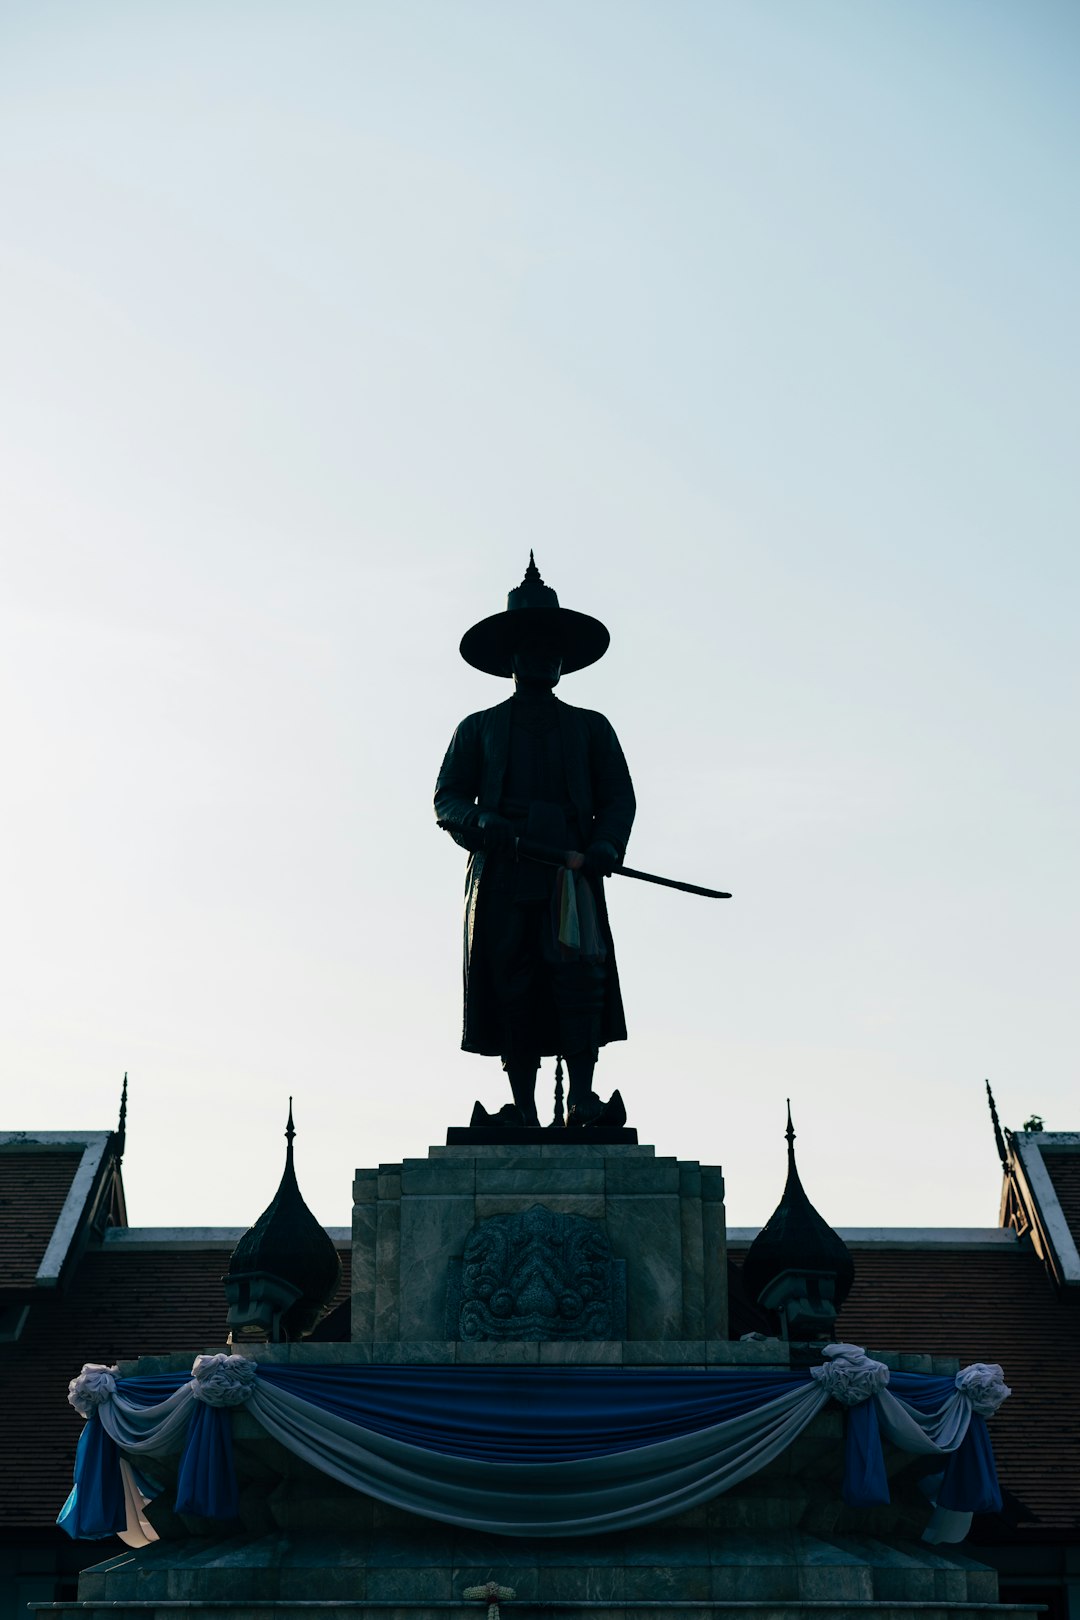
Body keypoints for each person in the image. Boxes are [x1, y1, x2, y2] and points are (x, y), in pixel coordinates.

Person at [435, 555, 636, 1128]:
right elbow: (446, 799)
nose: (542, 658)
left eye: (552, 649)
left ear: (562, 661)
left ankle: (581, 1100)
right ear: (513, 660)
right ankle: (521, 1106)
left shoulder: (590, 727)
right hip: (504, 874)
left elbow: (618, 800)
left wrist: (605, 846)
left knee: (578, 983)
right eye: (530, 648)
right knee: (512, 983)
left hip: (570, 873)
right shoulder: (479, 728)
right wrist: (482, 824)